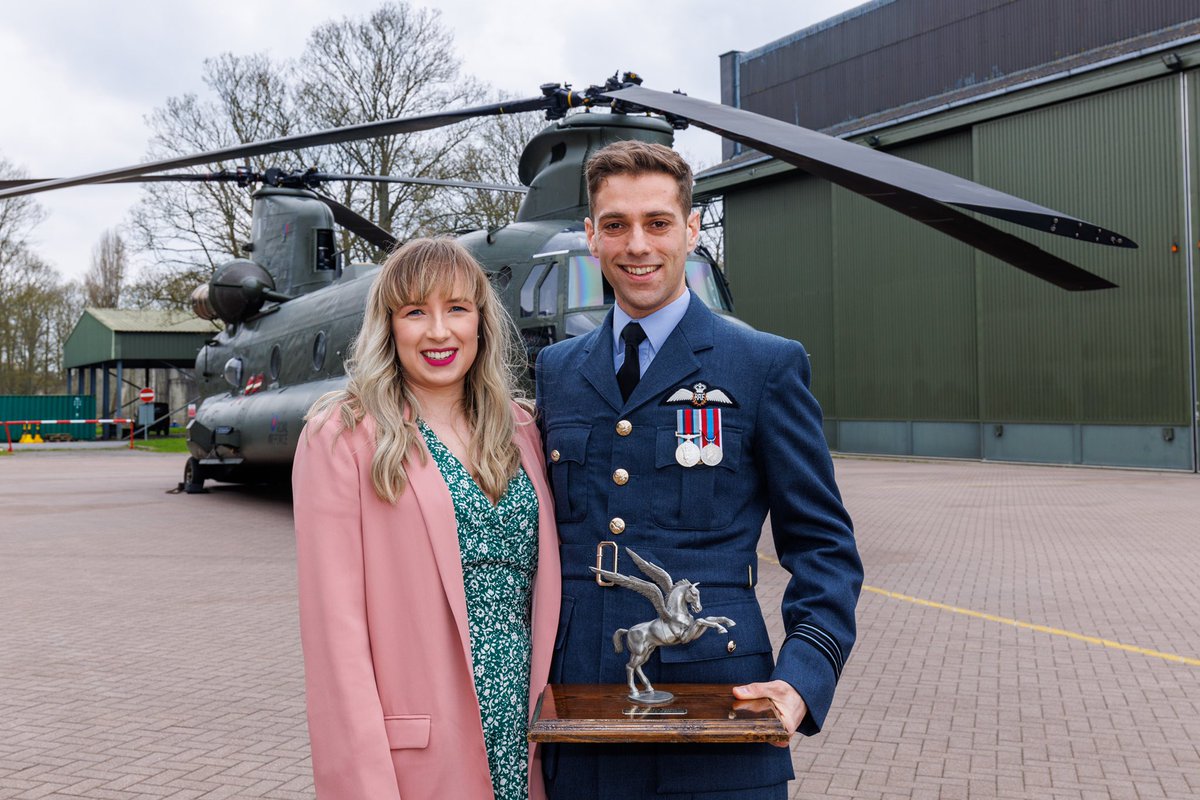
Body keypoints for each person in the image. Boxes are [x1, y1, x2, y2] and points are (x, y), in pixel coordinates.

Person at [535, 141, 862, 799]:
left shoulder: (763, 366)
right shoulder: (558, 372)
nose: (638, 244)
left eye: (657, 223)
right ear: (591, 238)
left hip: (721, 714)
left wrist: (802, 680)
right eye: (616, 225)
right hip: (582, 706)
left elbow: (825, 550)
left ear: (690, 229)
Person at [292, 238, 561, 800]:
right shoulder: (343, 437)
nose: (440, 332)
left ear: (482, 323)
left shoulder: (521, 430)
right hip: (417, 754)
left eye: (457, 309)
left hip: (525, 732)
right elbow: (335, 640)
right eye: (416, 312)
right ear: (388, 327)